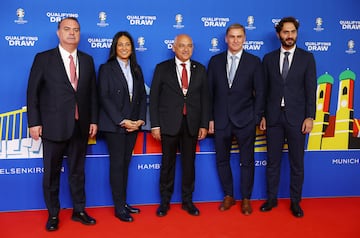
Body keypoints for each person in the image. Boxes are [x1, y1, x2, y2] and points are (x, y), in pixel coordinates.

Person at [26, 17, 98, 231]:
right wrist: (34, 122)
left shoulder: (87, 60)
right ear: (58, 33)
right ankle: (54, 214)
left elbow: (92, 94)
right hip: (53, 125)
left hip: (80, 126)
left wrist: (93, 119)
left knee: (78, 171)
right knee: (51, 173)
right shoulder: (43, 58)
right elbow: (32, 93)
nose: (72, 33)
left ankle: (79, 210)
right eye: (67, 29)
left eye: (76, 30)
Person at [259, 16, 317, 218]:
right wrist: (263, 115)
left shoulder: (307, 58)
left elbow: (311, 90)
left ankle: (295, 202)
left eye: (293, 32)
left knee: (297, 163)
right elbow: (263, 91)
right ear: (278, 34)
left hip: (297, 119)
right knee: (272, 162)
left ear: (296, 33)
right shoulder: (268, 59)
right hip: (273, 118)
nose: (289, 36)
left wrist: (310, 117)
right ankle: (271, 199)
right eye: (286, 32)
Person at [207, 23, 265, 215]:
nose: (235, 40)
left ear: (244, 39)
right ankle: (229, 195)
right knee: (222, 160)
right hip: (221, 120)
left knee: (247, 161)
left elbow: (261, 93)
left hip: (245, 120)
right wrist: (210, 119)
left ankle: (246, 198)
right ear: (226, 38)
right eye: (232, 36)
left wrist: (256, 118)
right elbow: (209, 94)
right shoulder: (215, 61)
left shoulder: (254, 62)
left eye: (239, 36)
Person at [149, 34, 209, 217]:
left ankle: (187, 201)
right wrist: (155, 125)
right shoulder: (162, 68)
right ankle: (165, 202)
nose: (185, 49)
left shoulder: (200, 69)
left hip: (192, 124)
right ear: (173, 47)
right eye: (181, 46)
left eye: (189, 46)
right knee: (167, 164)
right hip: (168, 124)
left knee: (189, 165)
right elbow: (154, 99)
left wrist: (204, 124)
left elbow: (205, 99)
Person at [97, 31, 147, 222]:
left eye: (128, 44)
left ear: (132, 48)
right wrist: (122, 120)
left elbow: (142, 96)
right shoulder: (106, 68)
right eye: (120, 44)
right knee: (117, 166)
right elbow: (104, 97)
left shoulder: (137, 69)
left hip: (134, 126)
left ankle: (123, 202)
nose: (124, 48)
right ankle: (119, 208)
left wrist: (140, 120)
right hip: (115, 126)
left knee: (125, 165)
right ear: (114, 47)